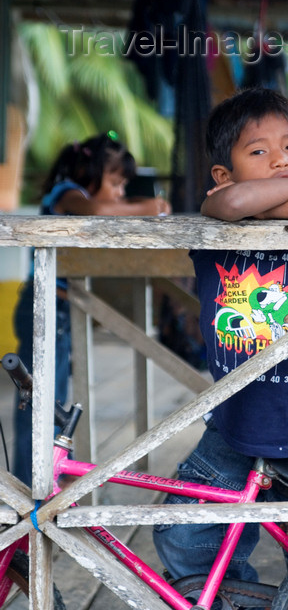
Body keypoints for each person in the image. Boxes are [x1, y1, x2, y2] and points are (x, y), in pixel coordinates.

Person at [152, 88, 288, 595]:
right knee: (187, 540)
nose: (280, 159)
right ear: (222, 175)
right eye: (259, 152)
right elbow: (230, 205)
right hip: (235, 428)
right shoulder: (221, 216)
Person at [13, 132, 171, 486]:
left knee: (52, 401)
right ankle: (30, 483)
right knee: (38, 402)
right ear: (90, 171)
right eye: (116, 183)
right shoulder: (68, 194)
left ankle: (50, 474)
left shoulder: (75, 194)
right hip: (44, 309)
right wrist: (149, 207)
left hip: (60, 313)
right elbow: (100, 210)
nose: (119, 194)